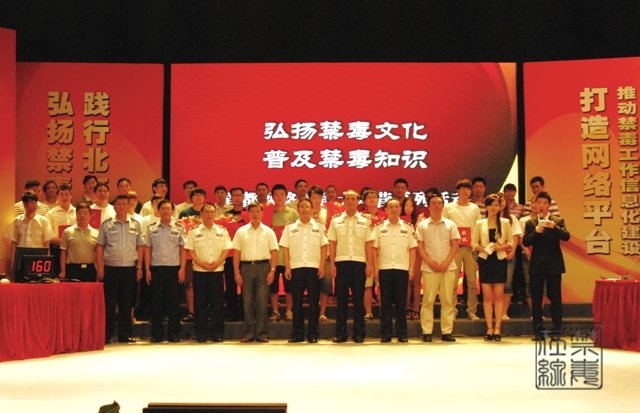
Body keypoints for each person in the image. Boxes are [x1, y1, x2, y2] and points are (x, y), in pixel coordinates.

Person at [96, 194, 144, 344]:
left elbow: (140, 246)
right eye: (119, 204)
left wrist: (139, 267)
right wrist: (100, 266)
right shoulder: (106, 224)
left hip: (129, 268)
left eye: (124, 204)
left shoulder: (136, 224)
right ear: (114, 206)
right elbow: (100, 246)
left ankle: (124, 334)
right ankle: (107, 334)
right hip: (111, 268)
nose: (121, 207)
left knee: (126, 303)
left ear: (129, 206)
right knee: (109, 303)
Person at [328, 189, 374, 343]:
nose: (350, 201)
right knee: (341, 300)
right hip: (341, 263)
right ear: (344, 201)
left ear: (358, 201)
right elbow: (332, 243)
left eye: (353, 199)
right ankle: (341, 333)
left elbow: (369, 244)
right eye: (347, 199)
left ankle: (359, 333)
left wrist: (369, 264)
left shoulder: (365, 220)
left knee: (358, 300)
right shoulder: (336, 220)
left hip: (359, 263)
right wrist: (332, 264)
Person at [523, 191, 570, 340]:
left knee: (555, 298)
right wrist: (536, 232)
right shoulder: (530, 223)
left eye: (544, 203)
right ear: (534, 205)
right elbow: (526, 242)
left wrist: (554, 227)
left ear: (549, 205)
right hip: (537, 265)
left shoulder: (557, 220)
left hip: (554, 265)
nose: (541, 206)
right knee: (536, 299)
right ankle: (538, 332)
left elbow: (566, 236)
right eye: (539, 203)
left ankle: (556, 332)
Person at [280, 198, 328, 343]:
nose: (305, 209)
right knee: (297, 302)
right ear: (298, 209)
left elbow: (324, 247)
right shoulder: (290, 227)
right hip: (296, 268)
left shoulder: (320, 226)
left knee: (314, 302)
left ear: (312, 209)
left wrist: (322, 266)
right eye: (302, 206)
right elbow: (285, 248)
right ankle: (298, 334)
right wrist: (287, 267)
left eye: (307, 206)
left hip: (314, 268)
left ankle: (313, 333)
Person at [184, 203, 232, 342]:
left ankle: (218, 333)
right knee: (200, 303)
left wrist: (216, 264)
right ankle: (201, 333)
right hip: (199, 271)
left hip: (217, 271)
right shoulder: (194, 231)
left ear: (215, 214)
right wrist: (203, 264)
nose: (209, 214)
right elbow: (191, 251)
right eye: (206, 212)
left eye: (212, 212)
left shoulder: (222, 230)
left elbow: (226, 250)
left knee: (217, 303)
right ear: (201, 214)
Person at [416, 193, 460, 342]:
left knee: (447, 300)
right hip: (429, 268)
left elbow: (455, 244)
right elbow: (420, 246)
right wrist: (430, 262)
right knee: (428, 300)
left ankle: (446, 331)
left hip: (448, 267)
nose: (436, 205)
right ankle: (427, 331)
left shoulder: (450, 224)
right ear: (428, 206)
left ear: (443, 206)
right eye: (433, 203)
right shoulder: (422, 225)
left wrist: (447, 262)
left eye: (439, 203)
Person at [232, 202, 279, 343]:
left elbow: (274, 252)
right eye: (252, 211)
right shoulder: (241, 231)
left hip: (263, 267)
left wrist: (272, 270)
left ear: (262, 213)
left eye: (258, 211)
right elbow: (236, 253)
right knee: (247, 301)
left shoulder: (268, 231)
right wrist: (236, 272)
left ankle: (262, 333)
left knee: (262, 301)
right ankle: (249, 333)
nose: (255, 214)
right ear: (248, 214)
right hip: (246, 267)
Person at [372, 198, 417, 343]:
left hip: (402, 268)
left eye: (396, 206)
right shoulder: (378, 228)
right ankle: (385, 334)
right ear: (385, 210)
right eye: (390, 207)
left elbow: (413, 249)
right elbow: (374, 250)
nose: (393, 209)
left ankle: (402, 333)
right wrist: (375, 268)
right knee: (384, 303)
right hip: (384, 268)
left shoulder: (408, 227)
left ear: (400, 209)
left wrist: (411, 269)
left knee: (401, 303)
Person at [472, 194, 513, 341]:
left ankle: (498, 328)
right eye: (491, 204)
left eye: (496, 205)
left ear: (500, 207)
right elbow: (473, 243)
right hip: (485, 261)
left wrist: (500, 247)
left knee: (499, 296)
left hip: (499, 260)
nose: (494, 207)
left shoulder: (505, 222)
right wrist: (483, 249)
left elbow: (511, 242)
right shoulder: (480, 223)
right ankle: (489, 328)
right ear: (486, 207)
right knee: (487, 296)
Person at [145, 199, 187, 343]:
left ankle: (174, 333)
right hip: (156, 269)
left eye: (168, 208)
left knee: (173, 302)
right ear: (158, 211)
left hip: (174, 269)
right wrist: (147, 269)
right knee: (156, 302)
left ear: (173, 211)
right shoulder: (151, 228)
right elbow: (148, 250)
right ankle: (156, 334)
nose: (166, 211)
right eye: (163, 208)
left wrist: (182, 268)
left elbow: (183, 250)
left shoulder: (179, 228)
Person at [443, 178, 481, 320]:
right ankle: (452, 310)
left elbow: (479, 227)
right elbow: (444, 227)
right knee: (452, 281)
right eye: (463, 189)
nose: (465, 192)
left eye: (468, 189)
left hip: (471, 248)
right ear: (457, 191)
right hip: (455, 248)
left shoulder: (474, 208)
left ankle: (472, 311)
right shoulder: (449, 207)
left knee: (472, 282)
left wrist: (474, 243)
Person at [267, 184, 298, 322]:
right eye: (276, 194)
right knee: (272, 287)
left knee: (289, 287)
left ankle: (289, 311)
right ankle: (275, 311)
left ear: (286, 196)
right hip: (272, 256)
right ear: (272, 196)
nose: (279, 197)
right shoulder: (267, 213)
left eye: (282, 194)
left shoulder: (293, 213)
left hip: (288, 257)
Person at [6, 191, 54, 278]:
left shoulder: (43, 221)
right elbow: (14, 244)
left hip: (38, 259)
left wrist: (47, 263)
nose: (33, 205)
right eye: (30, 202)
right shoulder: (17, 221)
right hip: (21, 258)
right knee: (21, 281)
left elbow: (47, 244)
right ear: (24, 205)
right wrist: (13, 264)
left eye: (34, 202)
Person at [177, 186, 207, 323]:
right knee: (190, 284)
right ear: (191, 198)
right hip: (189, 254)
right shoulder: (185, 213)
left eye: (201, 195)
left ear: (205, 198)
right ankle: (191, 311)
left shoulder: (209, 211)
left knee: (205, 284)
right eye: (195, 195)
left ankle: (204, 311)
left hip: (206, 254)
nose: (198, 197)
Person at [308, 185, 333, 323]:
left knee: (326, 284)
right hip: (310, 255)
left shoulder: (328, 212)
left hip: (326, 253)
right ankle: (313, 312)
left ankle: (322, 313)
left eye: (319, 197)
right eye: (314, 197)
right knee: (312, 285)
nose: (317, 200)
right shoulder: (304, 213)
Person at [361, 189, 386, 321]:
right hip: (365, 254)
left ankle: (383, 310)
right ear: (364, 201)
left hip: (383, 254)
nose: (372, 199)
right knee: (367, 284)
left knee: (382, 285)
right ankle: (368, 312)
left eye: (374, 197)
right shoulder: (360, 217)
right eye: (369, 197)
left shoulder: (385, 215)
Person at [497, 192, 522, 320]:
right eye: (497, 201)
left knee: (507, 284)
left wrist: (512, 252)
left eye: (502, 201)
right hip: (493, 256)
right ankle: (495, 312)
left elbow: (516, 237)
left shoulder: (512, 218)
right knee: (495, 284)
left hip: (508, 254)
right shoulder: (488, 219)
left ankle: (504, 312)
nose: (500, 203)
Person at [59, 203, 98, 282]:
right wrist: (63, 271)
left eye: (85, 213)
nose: (82, 216)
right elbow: (63, 253)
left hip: (90, 269)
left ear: (90, 215)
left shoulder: (96, 233)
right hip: (72, 269)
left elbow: (98, 255)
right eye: (79, 213)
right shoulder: (68, 231)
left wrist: (99, 270)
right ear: (76, 215)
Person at [46, 183, 76, 275]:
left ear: (71, 196)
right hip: (57, 249)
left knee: (73, 275)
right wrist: (60, 241)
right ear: (57, 197)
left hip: (74, 249)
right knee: (58, 275)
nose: (64, 197)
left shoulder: (77, 212)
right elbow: (48, 235)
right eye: (61, 195)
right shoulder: (51, 213)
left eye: (67, 194)